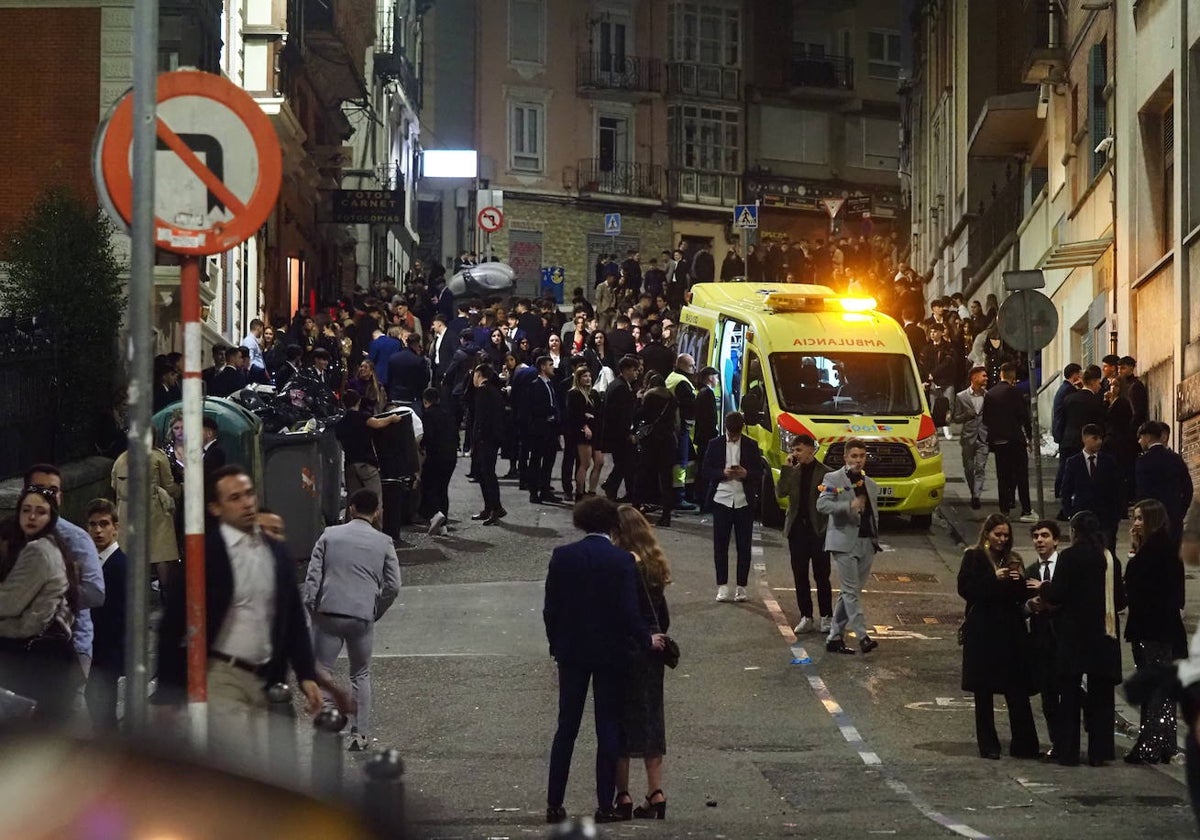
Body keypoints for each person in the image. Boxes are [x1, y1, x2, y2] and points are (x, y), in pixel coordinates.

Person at [153, 465, 323, 773]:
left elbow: (292, 616)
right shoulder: (206, 555)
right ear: (216, 508)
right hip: (222, 674)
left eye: (248, 494)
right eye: (235, 498)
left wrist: (306, 674)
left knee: (263, 766)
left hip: (267, 676)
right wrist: (167, 691)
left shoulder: (275, 551)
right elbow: (173, 623)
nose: (246, 503)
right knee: (243, 765)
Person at [543, 497, 665, 825]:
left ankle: (555, 804)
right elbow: (628, 612)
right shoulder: (621, 561)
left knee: (565, 728)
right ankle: (604, 804)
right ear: (611, 524)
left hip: (572, 652)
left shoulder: (562, 557)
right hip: (610, 653)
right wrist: (645, 639)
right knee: (607, 727)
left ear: (580, 522)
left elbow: (550, 610)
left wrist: (557, 645)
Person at [303, 489, 400, 752]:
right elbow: (393, 585)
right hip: (361, 615)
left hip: (329, 612)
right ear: (376, 512)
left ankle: (327, 724)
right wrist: (374, 609)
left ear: (352, 509)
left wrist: (312, 607)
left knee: (323, 669)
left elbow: (313, 576)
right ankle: (360, 734)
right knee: (361, 673)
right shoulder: (384, 542)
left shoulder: (330, 535)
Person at [1036, 510, 1126, 766]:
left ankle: (1069, 751)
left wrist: (1044, 588)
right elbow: (1120, 599)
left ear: (1074, 532)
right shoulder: (1110, 559)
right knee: (1102, 697)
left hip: (1073, 635)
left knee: (1069, 695)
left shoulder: (1069, 557)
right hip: (1103, 635)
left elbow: (1057, 595)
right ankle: (1100, 752)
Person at [0, 486, 83, 725]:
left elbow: (8, 603)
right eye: (26, 511)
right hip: (51, 663)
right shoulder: (50, 547)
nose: (32, 517)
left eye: (40, 512)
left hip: (40, 664)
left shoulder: (38, 551)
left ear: (51, 517)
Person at [958, 513, 1039, 759]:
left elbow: (1018, 597)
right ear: (987, 534)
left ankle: (1024, 745)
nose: (1002, 539)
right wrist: (993, 578)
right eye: (997, 534)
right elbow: (966, 590)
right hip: (983, 631)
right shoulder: (973, 556)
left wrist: (1019, 582)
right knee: (984, 692)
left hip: (1010, 632)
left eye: (1006, 535)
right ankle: (989, 745)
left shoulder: (1014, 559)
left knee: (1016, 690)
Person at [613, 505, 672, 821]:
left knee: (620, 722)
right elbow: (662, 617)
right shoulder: (653, 564)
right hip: (654, 654)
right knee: (651, 721)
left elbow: (622, 613)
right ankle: (656, 792)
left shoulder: (624, 565)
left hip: (628, 651)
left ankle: (622, 794)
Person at [1123, 498, 1187, 764]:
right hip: (1164, 630)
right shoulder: (1164, 550)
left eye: (1140, 518)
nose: (1135, 523)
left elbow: (1141, 593)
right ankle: (1165, 744)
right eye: (1134, 518)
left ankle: (1150, 745)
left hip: (1153, 631)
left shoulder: (1153, 554)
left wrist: (1134, 557)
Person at [24, 464, 103, 676]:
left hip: (70, 647)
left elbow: (96, 593)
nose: (47, 496)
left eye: (53, 491)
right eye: (39, 489)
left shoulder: (75, 539)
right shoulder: (11, 534)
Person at [818, 439, 882, 655]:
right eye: (854, 456)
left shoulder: (871, 484)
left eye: (862, 456)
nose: (858, 460)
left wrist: (874, 541)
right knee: (851, 592)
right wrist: (848, 505)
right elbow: (822, 504)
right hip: (843, 542)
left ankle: (834, 637)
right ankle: (862, 636)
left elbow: (874, 515)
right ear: (845, 457)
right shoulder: (833, 478)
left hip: (866, 543)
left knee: (849, 593)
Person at [702, 412, 763, 603]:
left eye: (736, 434)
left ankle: (741, 587)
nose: (733, 437)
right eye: (731, 434)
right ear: (726, 429)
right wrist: (722, 473)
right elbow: (705, 470)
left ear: (742, 429)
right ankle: (722, 586)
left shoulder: (751, 445)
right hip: (722, 499)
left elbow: (760, 471)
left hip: (744, 501)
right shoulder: (715, 444)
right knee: (720, 545)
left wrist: (746, 473)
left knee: (744, 546)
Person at [111, 432, 182, 593]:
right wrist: (181, 490)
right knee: (161, 553)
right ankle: (166, 593)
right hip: (154, 509)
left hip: (126, 511)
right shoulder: (157, 457)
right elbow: (169, 485)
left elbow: (114, 484)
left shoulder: (121, 459)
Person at [776, 435, 830, 634]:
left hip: (818, 530)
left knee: (822, 575)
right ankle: (806, 616)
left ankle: (826, 616)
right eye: (794, 450)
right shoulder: (793, 472)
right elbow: (781, 492)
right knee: (800, 575)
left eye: (799, 450)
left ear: (810, 449)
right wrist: (787, 469)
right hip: (797, 530)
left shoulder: (826, 474)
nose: (795, 454)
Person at [83, 498, 127, 733]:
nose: (98, 530)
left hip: (108, 650)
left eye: (104, 524)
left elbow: (120, 614)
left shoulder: (120, 565)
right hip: (96, 649)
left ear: (115, 527)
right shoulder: (92, 563)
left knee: (102, 707)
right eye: (93, 525)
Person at [1025, 520, 1062, 760]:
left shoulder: (1065, 567)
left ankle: (1068, 740)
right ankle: (1056, 742)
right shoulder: (1029, 571)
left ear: (1056, 540)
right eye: (1036, 536)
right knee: (1048, 697)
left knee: (1069, 695)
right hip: (1041, 643)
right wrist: (1029, 606)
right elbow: (1020, 605)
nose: (1040, 540)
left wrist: (1046, 589)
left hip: (1064, 641)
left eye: (1045, 536)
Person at [981, 362, 1035, 522]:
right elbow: (1024, 417)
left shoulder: (990, 394)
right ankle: (1026, 509)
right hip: (1015, 440)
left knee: (1002, 476)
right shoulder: (1016, 393)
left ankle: (1004, 510)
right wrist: (1029, 437)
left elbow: (986, 419)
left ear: (1000, 375)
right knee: (1021, 475)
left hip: (999, 441)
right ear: (1013, 376)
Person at [1059, 423, 1123, 554]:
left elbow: (1117, 488)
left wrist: (1116, 514)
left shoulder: (1108, 461)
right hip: (1082, 516)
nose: (1099, 442)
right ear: (1084, 439)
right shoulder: (1073, 462)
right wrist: (1069, 513)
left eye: (1100, 438)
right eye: (1095, 438)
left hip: (1106, 517)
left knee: (1107, 552)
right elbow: (1066, 490)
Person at [1135, 420, 1194, 544]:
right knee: (1173, 557)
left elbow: (1142, 493)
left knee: (1153, 556)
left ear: (1147, 437)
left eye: (1141, 438)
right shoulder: (1176, 458)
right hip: (1174, 517)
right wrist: (1180, 511)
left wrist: (1141, 516)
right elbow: (1188, 489)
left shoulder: (1144, 461)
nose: (1139, 441)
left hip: (1151, 519)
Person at [634, 373, 679, 527]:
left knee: (642, 473)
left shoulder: (649, 396)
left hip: (651, 441)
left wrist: (639, 400)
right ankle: (666, 515)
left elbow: (640, 415)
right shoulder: (672, 398)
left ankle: (636, 507)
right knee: (666, 479)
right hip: (668, 441)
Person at [469, 364, 507, 525]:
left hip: (486, 439)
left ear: (479, 374)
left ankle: (495, 507)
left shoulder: (483, 392)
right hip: (492, 438)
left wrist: (476, 440)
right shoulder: (493, 391)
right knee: (485, 474)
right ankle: (489, 507)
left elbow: (481, 419)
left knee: (488, 474)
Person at [601, 357, 640, 502]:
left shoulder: (619, 385)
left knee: (624, 463)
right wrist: (628, 433)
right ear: (625, 370)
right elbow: (621, 415)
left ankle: (618, 489)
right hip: (619, 435)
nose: (636, 373)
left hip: (616, 433)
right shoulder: (620, 387)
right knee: (624, 463)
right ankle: (611, 486)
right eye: (634, 370)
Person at [420, 388, 459, 536]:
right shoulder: (448, 414)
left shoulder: (428, 414)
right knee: (443, 488)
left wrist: (421, 446)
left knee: (429, 486)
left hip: (436, 456)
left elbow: (429, 436)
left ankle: (435, 514)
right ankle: (443, 524)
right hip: (450, 456)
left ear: (425, 401)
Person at [528, 355, 564, 505]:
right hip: (540, 429)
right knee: (536, 460)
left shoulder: (550, 384)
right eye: (550, 365)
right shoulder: (536, 385)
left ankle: (545, 490)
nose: (552, 367)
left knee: (549, 460)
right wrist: (548, 412)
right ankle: (533, 492)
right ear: (542, 367)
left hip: (551, 429)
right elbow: (535, 407)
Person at [952, 364, 990, 509]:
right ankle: (973, 490)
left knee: (980, 467)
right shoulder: (961, 397)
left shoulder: (988, 396)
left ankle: (976, 496)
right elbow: (956, 418)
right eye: (983, 376)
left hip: (983, 437)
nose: (986, 378)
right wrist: (966, 416)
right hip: (968, 437)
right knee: (968, 468)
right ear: (974, 378)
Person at [566, 367, 603, 501]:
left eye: (589, 376)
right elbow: (574, 414)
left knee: (599, 461)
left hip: (596, 430)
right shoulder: (574, 394)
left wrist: (591, 417)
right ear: (578, 378)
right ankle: (580, 493)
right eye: (584, 376)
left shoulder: (594, 394)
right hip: (582, 432)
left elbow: (598, 412)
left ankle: (592, 491)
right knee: (585, 463)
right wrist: (585, 424)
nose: (588, 379)